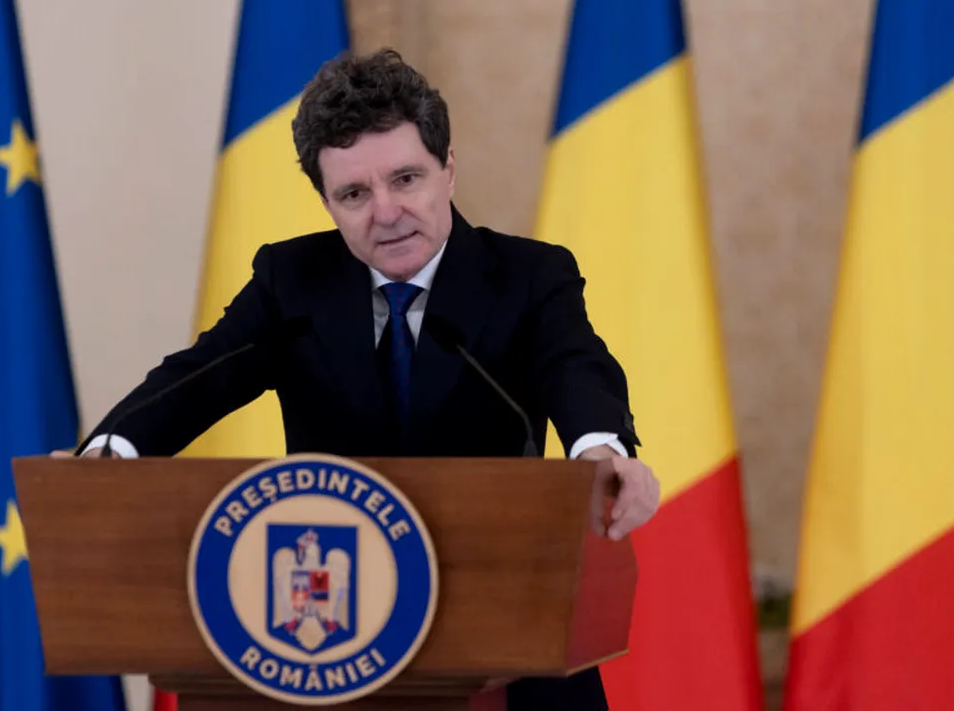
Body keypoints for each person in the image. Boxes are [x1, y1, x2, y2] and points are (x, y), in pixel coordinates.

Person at [70, 48, 661, 711]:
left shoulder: (529, 276)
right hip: (334, 648)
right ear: (327, 202)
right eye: (354, 194)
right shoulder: (292, 282)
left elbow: (574, 367)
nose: (386, 211)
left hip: (513, 632)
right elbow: (199, 375)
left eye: (406, 179)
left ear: (448, 169)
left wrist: (601, 454)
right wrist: (109, 453)